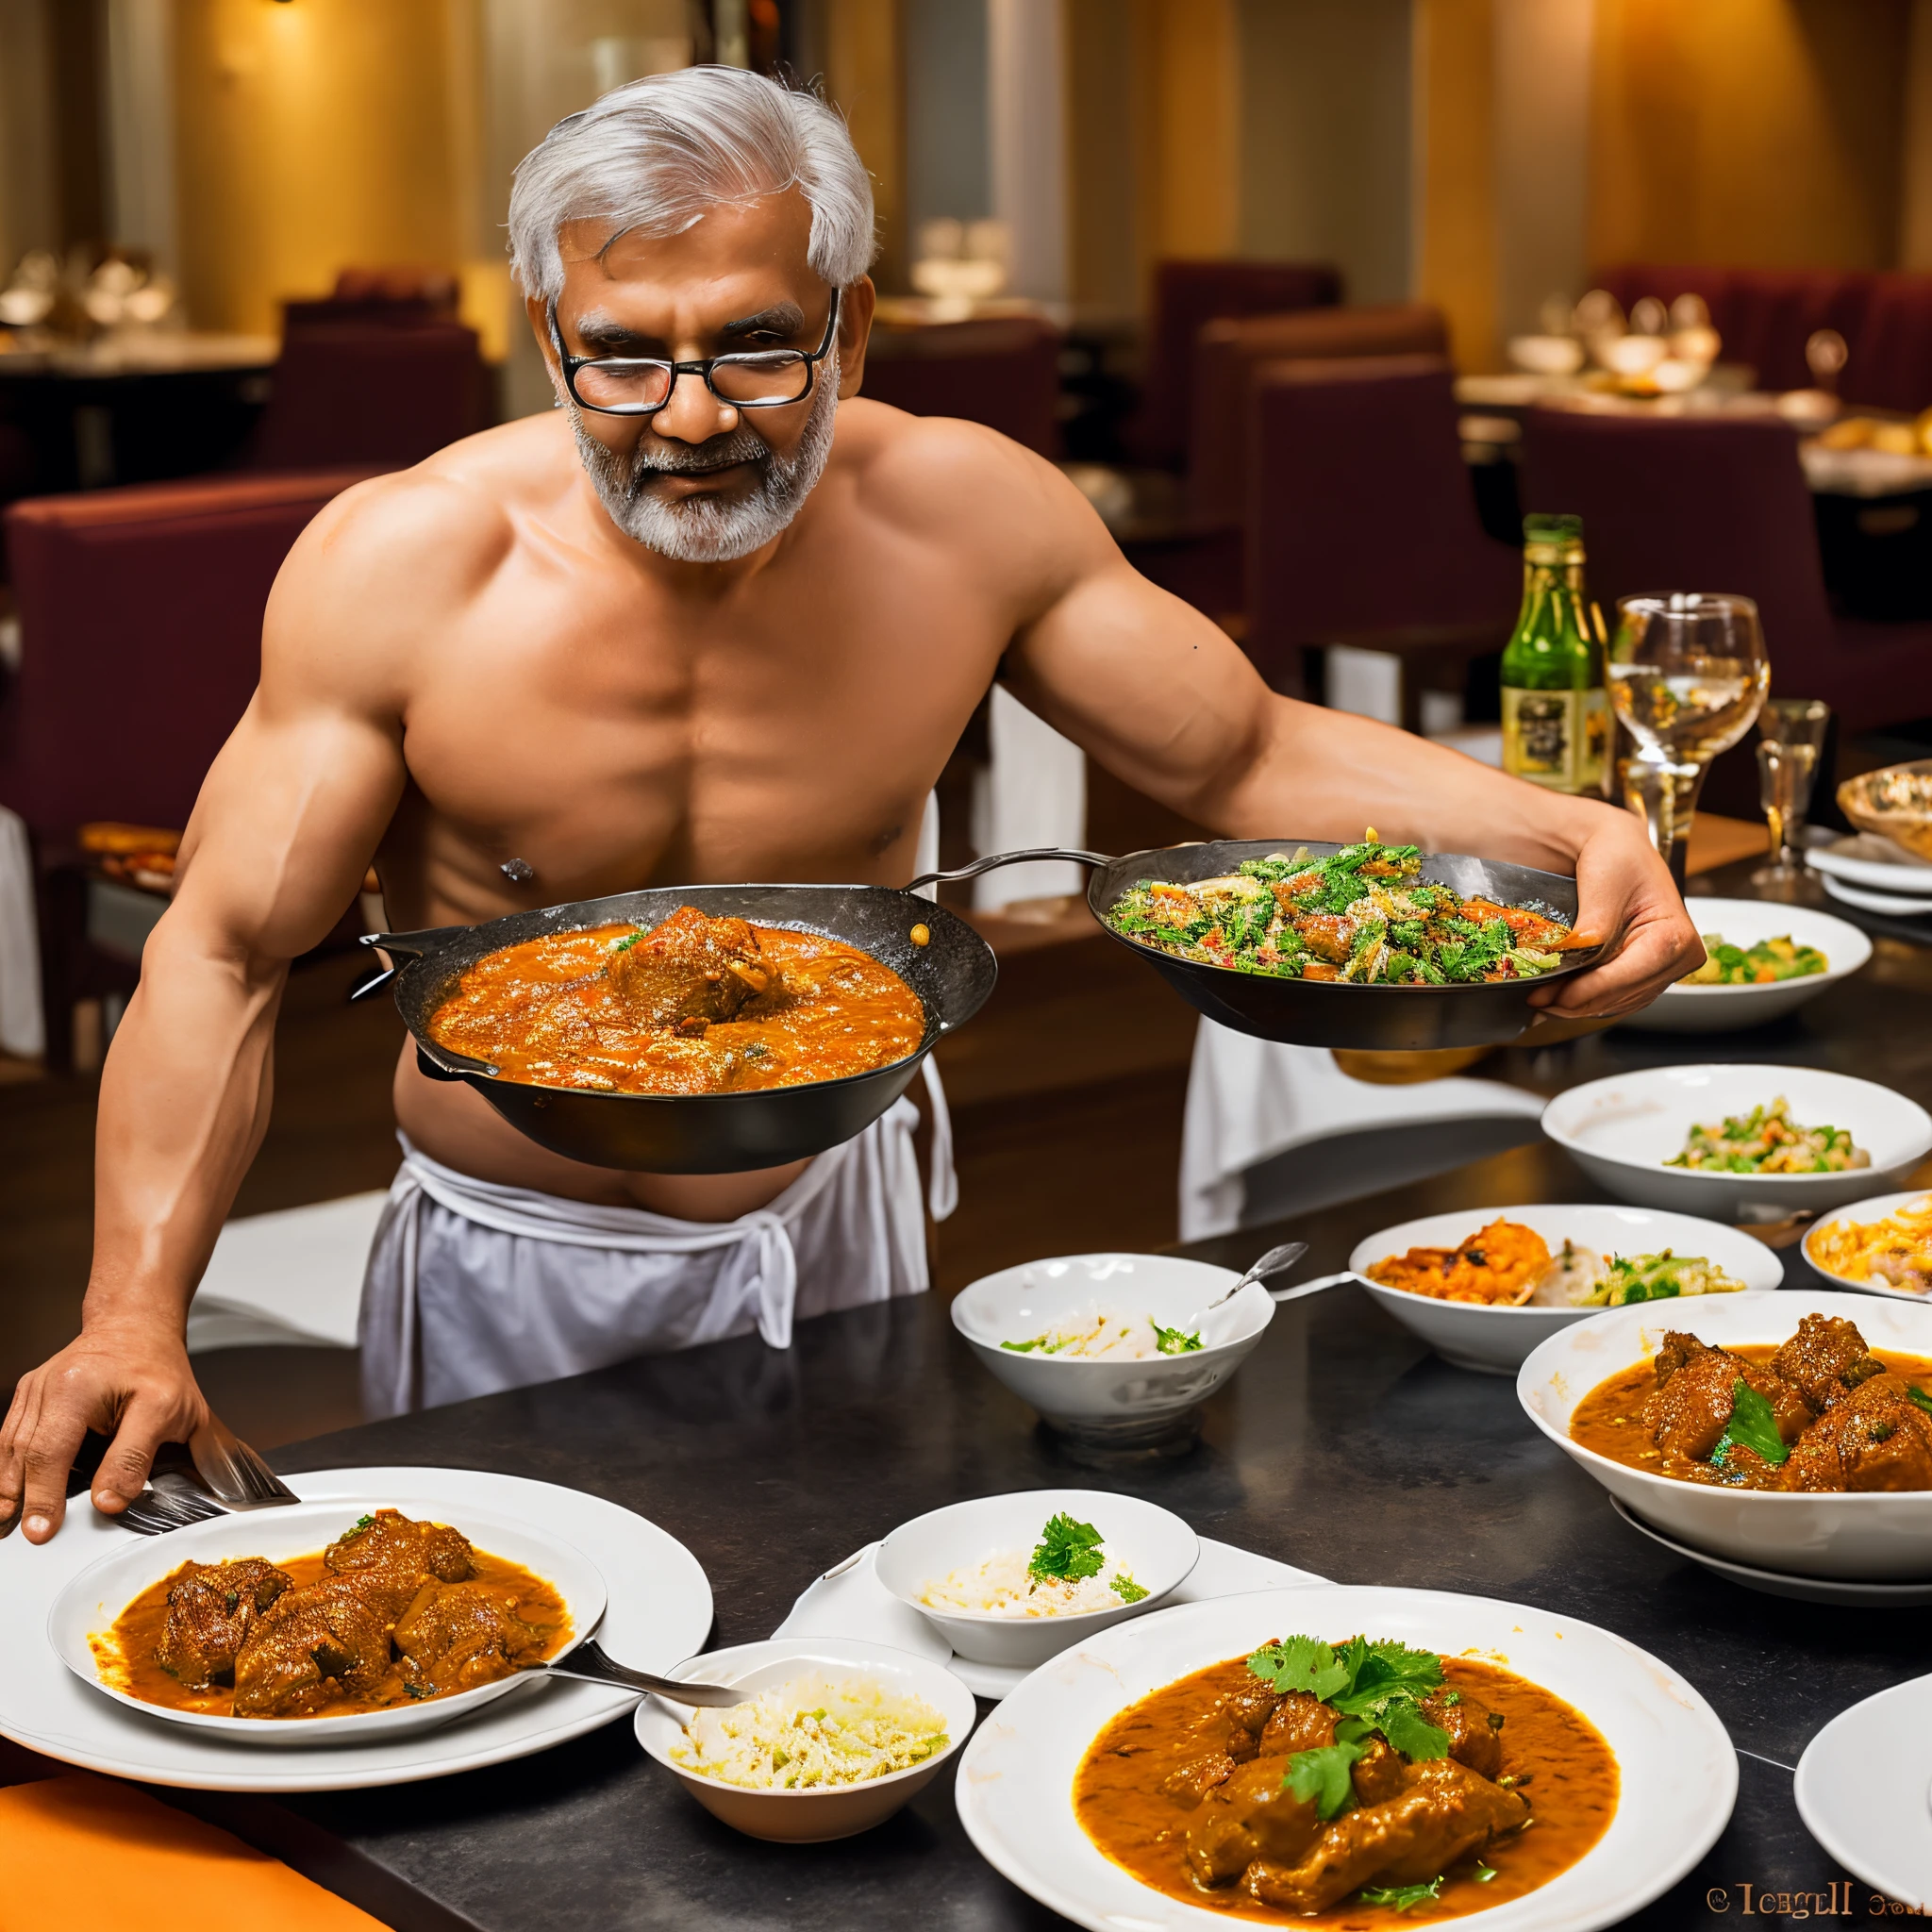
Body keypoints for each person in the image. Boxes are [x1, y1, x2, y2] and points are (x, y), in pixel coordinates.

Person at [0, 68, 1698, 1543]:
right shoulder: (403, 570)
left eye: (754, 347)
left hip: (839, 1211)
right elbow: (220, 955)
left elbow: (1237, 754)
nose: (688, 419)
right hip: (520, 1253)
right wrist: (129, 1313)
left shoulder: (971, 519)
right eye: (621, 359)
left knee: (839, 1674)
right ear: (547, 339)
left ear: (853, 327)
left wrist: (1569, 833)